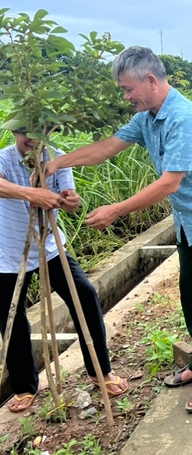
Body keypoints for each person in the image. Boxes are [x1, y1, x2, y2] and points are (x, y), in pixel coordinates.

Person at [44, 46, 192, 414]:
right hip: (190, 221)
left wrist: (116, 211)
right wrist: (57, 162)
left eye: (127, 89)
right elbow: (107, 147)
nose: (125, 97)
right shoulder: (147, 117)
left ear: (151, 81)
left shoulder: (183, 118)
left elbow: (169, 183)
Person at [0, 117, 128, 413]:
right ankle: (24, 386)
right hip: (8, 252)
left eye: (38, 137)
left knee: (84, 296)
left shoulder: (56, 157)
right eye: (26, 137)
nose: (32, 143)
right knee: (10, 315)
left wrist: (69, 201)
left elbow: (70, 197)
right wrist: (31, 193)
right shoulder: (5, 159)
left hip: (48, 246)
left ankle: (100, 371)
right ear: (16, 134)